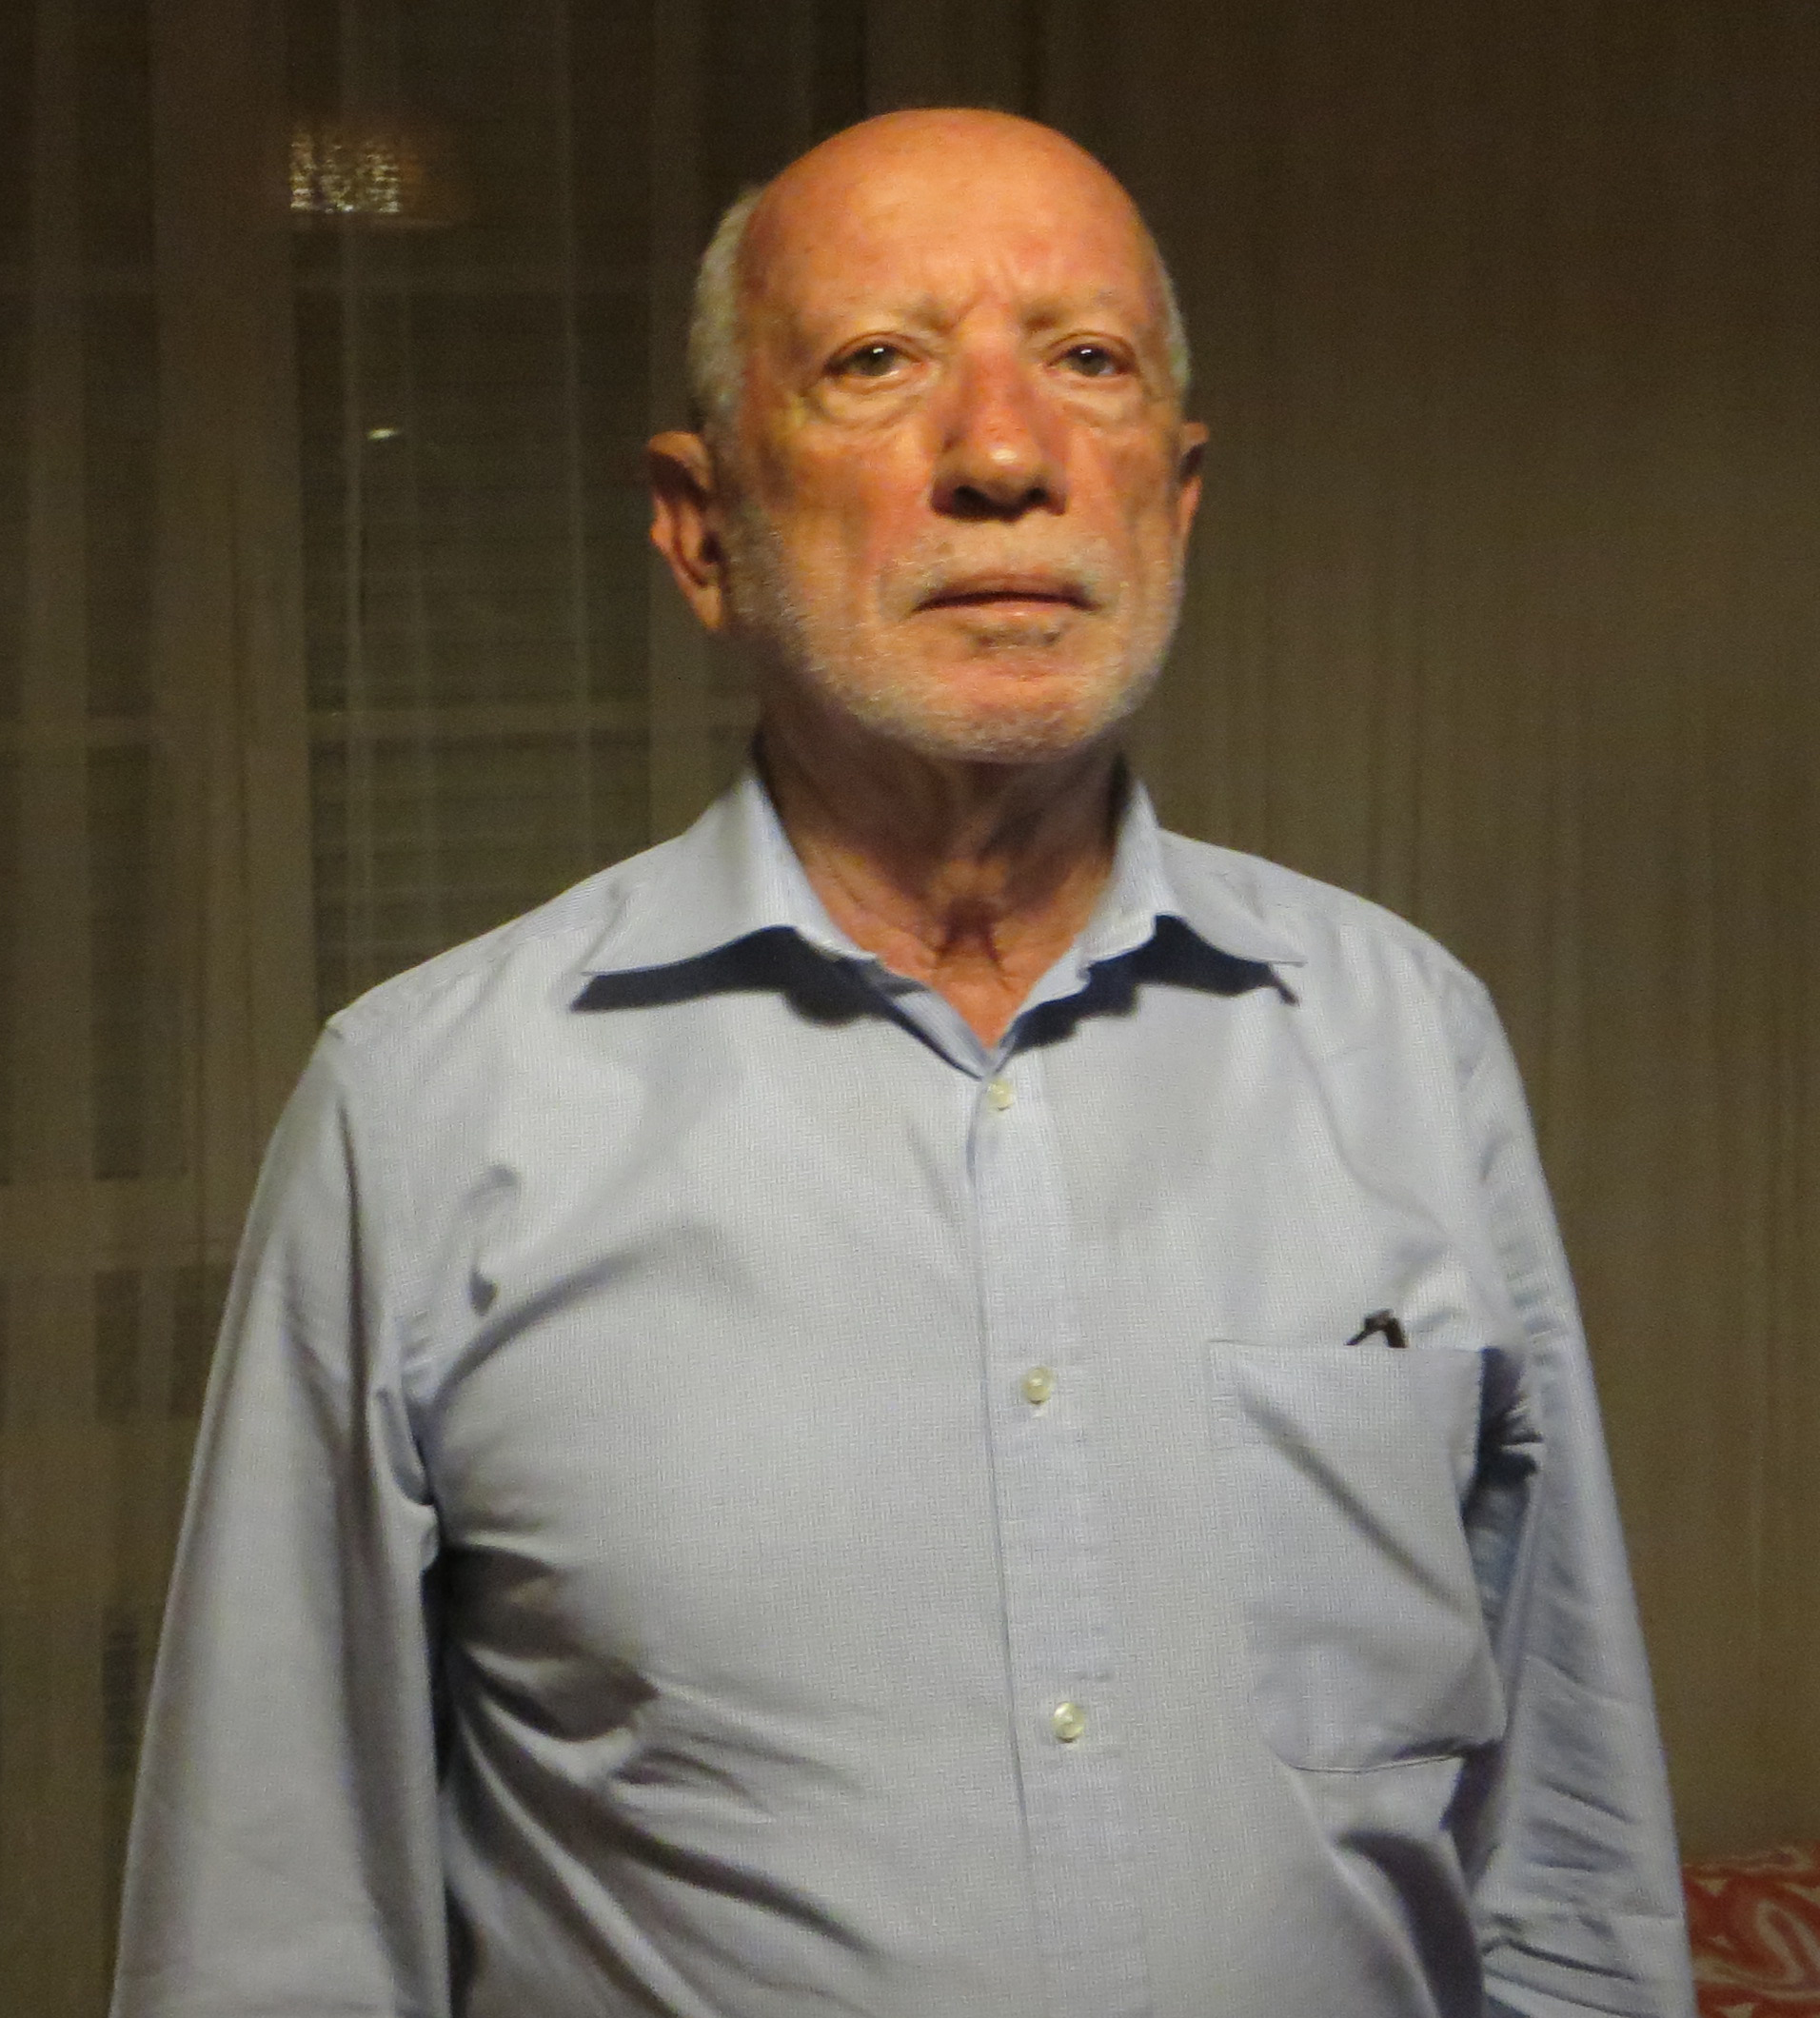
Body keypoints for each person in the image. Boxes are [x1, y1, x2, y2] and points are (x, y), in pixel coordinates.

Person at [111, 109, 1695, 2018]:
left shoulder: (1403, 1042)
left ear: (1176, 500)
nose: (1004, 456)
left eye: (1086, 361)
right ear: (702, 530)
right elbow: (271, 1936)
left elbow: (1565, 1862)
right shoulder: (426, 1109)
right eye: (877, 362)